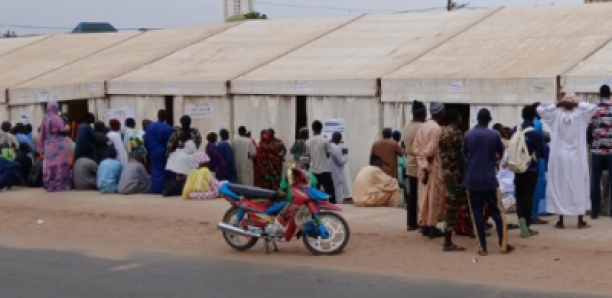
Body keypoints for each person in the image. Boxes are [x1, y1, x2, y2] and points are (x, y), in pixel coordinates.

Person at [538, 94, 597, 229]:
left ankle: (561, 221)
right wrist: (575, 104)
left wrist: (558, 104)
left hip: (560, 159)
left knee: (561, 187)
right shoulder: (581, 115)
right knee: (578, 186)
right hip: (575, 159)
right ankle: (579, 221)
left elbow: (541, 109)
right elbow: (593, 107)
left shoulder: (557, 116)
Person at [463, 108, 514, 256]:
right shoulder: (494, 135)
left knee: (476, 213)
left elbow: (465, 153)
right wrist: (494, 161)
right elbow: (501, 150)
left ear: (477, 119)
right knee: (497, 212)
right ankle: (503, 245)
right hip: (489, 179)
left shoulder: (468, 135)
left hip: (472, 180)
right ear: (489, 120)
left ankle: (482, 247)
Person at [413, 102, 446, 238]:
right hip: (432, 167)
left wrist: (422, 163)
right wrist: (427, 165)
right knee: (433, 197)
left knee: (424, 196)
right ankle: (431, 225)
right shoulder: (437, 129)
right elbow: (431, 150)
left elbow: (416, 147)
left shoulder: (423, 127)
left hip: (422, 166)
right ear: (439, 113)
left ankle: (424, 223)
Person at [513, 105, 546, 237]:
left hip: (518, 168)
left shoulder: (516, 130)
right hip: (531, 169)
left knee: (519, 195)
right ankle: (526, 225)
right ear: (533, 117)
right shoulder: (536, 134)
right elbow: (542, 153)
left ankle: (521, 219)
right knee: (528, 196)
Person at [438, 110, 467, 252]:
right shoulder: (455, 132)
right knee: (453, 205)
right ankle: (448, 241)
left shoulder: (442, 131)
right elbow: (458, 153)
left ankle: (451, 236)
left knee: (452, 203)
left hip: (446, 172)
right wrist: (465, 169)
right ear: (457, 117)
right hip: (455, 173)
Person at [401, 100, 427, 231]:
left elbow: (403, 146)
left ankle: (411, 222)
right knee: (423, 195)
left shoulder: (407, 127)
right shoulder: (422, 127)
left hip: (409, 164)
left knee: (412, 195)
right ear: (422, 113)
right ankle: (423, 221)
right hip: (421, 164)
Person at [37, 100, 72, 192]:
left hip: (49, 145)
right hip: (59, 146)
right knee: (60, 164)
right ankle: (60, 185)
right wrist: (67, 128)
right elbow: (62, 130)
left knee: (49, 165)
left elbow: (42, 133)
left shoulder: (45, 118)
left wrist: (41, 146)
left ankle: (49, 184)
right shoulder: (57, 119)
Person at [589, 85, 612, 219]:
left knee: (595, 181)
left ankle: (595, 211)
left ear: (599, 94)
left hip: (597, 150)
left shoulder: (593, 109)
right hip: (610, 151)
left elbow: (589, 128)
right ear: (609, 94)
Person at [305, 120, 337, 203]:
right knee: (330, 191)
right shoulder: (325, 140)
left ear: (312, 129)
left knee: (315, 191)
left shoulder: (308, 142)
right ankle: (333, 206)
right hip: (325, 169)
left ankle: (315, 206)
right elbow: (328, 154)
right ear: (321, 129)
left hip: (314, 170)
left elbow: (308, 156)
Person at [144, 110, 174, 194]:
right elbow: (171, 142)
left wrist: (149, 149)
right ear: (166, 117)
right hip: (164, 152)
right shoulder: (168, 128)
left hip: (153, 152)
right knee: (166, 170)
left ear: (158, 116)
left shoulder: (150, 126)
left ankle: (156, 189)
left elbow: (145, 140)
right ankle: (163, 189)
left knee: (155, 170)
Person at [531, 102, 548, 224]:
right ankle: (534, 215)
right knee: (536, 188)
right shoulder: (537, 124)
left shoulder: (524, 124)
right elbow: (540, 143)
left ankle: (530, 214)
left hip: (529, 161)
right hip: (537, 160)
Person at [329, 132, 349, 204]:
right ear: (338, 139)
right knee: (338, 189)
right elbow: (341, 161)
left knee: (331, 189)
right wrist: (345, 154)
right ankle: (339, 204)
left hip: (329, 171)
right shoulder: (336, 148)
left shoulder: (328, 146)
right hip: (336, 172)